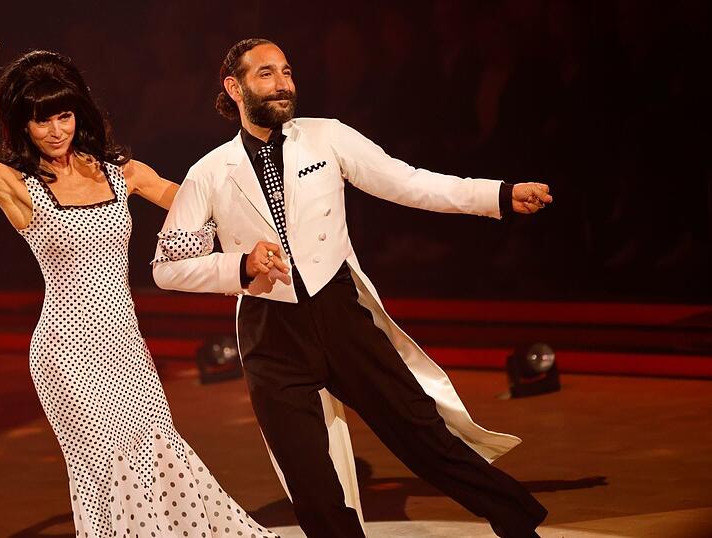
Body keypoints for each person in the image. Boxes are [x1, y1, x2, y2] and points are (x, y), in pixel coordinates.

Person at [152, 38, 552, 538]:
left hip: (340, 314)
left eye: (287, 71)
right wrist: (239, 266)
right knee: (310, 484)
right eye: (266, 74)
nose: (282, 84)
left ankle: (517, 522)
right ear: (234, 88)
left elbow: (411, 183)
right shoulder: (209, 172)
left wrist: (499, 195)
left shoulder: (327, 137)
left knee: (425, 439)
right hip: (270, 334)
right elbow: (167, 267)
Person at [0, 34, 277, 538]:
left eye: (64, 116)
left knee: (157, 455)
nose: (56, 130)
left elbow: (198, 205)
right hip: (65, 355)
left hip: (126, 347)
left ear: (78, 114)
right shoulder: (17, 187)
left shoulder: (122, 173)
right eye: (42, 120)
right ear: (24, 125)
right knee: (104, 470)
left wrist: (254, 243)